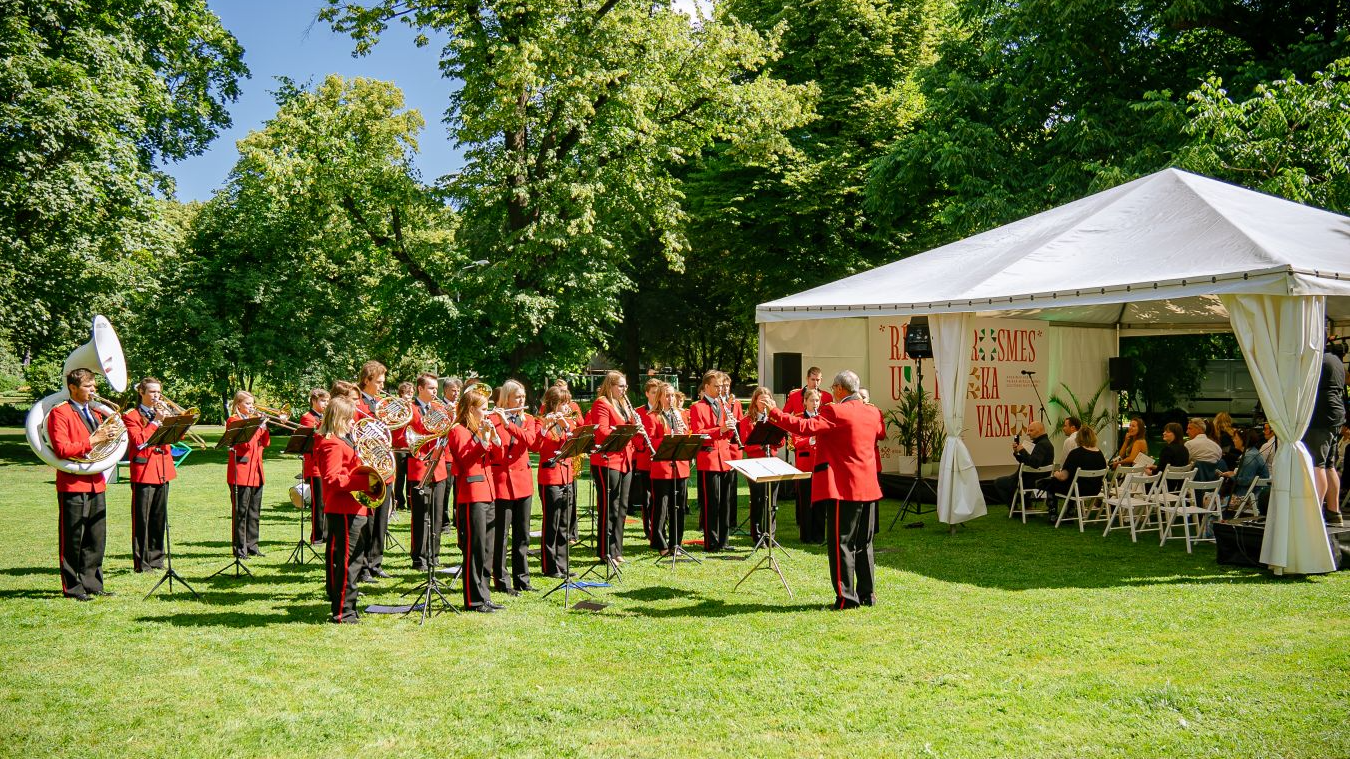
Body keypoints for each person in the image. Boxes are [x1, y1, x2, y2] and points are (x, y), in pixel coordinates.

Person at [765, 370, 884, 609]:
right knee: (864, 543)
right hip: (869, 485)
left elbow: (804, 426)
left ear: (839, 389)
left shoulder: (835, 411)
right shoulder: (872, 411)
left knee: (841, 543)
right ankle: (867, 594)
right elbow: (878, 434)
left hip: (844, 486)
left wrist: (775, 413)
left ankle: (846, 598)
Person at [49, 368, 116, 600]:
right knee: (73, 537)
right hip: (73, 482)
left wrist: (109, 436)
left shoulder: (95, 413)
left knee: (96, 537)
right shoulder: (60, 412)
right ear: (73, 388)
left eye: (94, 385)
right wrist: (94, 439)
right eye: (88, 386)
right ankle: (73, 587)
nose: (93, 390)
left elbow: (101, 445)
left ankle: (93, 583)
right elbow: (62, 449)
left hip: (96, 481)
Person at [313, 396, 376, 624]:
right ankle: (343, 611)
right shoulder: (331, 443)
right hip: (344, 508)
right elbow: (332, 479)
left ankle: (348, 607)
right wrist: (366, 482)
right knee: (349, 562)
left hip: (353, 507)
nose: (353, 423)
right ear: (340, 418)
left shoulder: (343, 440)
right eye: (350, 419)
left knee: (353, 560)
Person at [445, 385, 503, 612]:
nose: (487, 413)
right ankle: (473, 599)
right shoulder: (458, 431)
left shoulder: (479, 429)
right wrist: (484, 440)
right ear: (471, 409)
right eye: (484, 409)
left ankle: (484, 595)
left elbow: (498, 457)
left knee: (487, 548)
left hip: (488, 492)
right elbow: (466, 459)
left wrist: (494, 437)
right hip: (471, 495)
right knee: (475, 548)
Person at [489, 380, 538, 594]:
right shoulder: (493, 419)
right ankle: (501, 580)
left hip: (523, 482)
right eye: (517, 397)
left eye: (523, 397)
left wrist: (509, 425)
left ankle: (522, 579)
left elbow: (531, 441)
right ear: (506, 399)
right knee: (501, 535)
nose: (521, 400)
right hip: (501, 482)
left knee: (522, 534)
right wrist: (499, 422)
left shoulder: (528, 420)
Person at [122, 377, 175, 573]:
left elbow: (177, 436)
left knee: (159, 518)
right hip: (144, 471)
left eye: (158, 392)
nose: (157, 396)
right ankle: (142, 563)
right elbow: (139, 442)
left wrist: (173, 421)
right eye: (152, 392)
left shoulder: (161, 412)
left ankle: (157, 559)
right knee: (142, 519)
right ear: (141, 393)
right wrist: (156, 422)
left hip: (163, 469)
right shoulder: (132, 416)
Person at [586, 371, 636, 564]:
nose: (624, 390)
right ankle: (605, 551)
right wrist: (625, 431)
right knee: (609, 506)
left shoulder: (623, 404)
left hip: (626, 459)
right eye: (621, 386)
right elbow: (602, 431)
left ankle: (617, 550)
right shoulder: (602, 403)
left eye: (625, 386)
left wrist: (634, 427)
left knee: (622, 507)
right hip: (607, 461)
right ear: (611, 386)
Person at [531, 385, 577, 577]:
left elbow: (574, 442)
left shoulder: (567, 422)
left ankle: (562, 564)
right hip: (550, 477)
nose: (567, 407)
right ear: (554, 404)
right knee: (552, 523)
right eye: (564, 403)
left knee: (564, 523)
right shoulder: (540, 421)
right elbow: (536, 446)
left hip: (567, 475)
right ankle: (550, 566)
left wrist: (566, 426)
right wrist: (545, 427)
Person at [689, 370, 736, 552]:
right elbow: (699, 433)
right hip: (709, 459)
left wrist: (730, 429)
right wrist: (721, 429)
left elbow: (727, 434)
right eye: (716, 386)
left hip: (725, 458)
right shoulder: (697, 407)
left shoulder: (723, 405)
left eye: (721, 386)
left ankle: (724, 541)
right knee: (712, 502)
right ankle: (711, 542)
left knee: (725, 502)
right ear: (706, 386)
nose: (720, 389)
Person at [407, 374, 448, 571]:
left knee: (436, 514)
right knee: (420, 516)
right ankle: (419, 557)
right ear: (420, 389)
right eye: (431, 388)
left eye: (435, 388)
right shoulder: (410, 409)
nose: (435, 392)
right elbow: (404, 436)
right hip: (419, 467)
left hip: (438, 467)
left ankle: (434, 555)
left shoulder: (439, 408)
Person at [355, 360, 392, 580]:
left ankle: (376, 563)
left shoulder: (381, 404)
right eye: (378, 382)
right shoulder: (356, 404)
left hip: (385, 467)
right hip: (368, 467)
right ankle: (362, 566)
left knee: (381, 520)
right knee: (367, 520)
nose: (382, 386)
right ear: (367, 380)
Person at [646, 382, 691, 555]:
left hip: (680, 466)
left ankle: (676, 543)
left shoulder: (680, 414)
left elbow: (688, 436)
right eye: (667, 395)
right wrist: (669, 438)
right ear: (659, 397)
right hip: (662, 468)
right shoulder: (653, 416)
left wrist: (685, 433)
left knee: (678, 507)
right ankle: (660, 543)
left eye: (672, 395)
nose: (671, 399)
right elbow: (650, 441)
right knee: (661, 507)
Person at [226, 390, 271, 560]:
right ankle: (240, 548)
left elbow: (265, 443)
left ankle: (253, 545)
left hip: (256, 471)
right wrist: (259, 426)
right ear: (238, 405)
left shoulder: (253, 422)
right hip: (241, 472)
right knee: (241, 512)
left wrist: (264, 428)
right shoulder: (234, 421)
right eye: (247, 404)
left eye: (252, 404)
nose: (251, 407)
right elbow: (245, 444)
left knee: (254, 512)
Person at [1305, 341, 1346, 525]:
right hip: (1335, 414)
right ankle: (1334, 511)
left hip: (1322, 415)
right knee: (1329, 465)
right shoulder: (1336, 361)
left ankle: (1315, 513)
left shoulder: (1319, 359)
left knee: (1318, 465)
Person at [738, 386, 783, 543]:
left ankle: (770, 535)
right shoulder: (746, 421)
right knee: (757, 499)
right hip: (754, 463)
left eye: (767, 400)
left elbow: (781, 442)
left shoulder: (775, 419)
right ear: (755, 402)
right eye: (761, 400)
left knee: (772, 501)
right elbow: (745, 445)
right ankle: (757, 535)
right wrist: (761, 445)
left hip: (772, 462)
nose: (764, 403)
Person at [1039, 425, 1108, 518]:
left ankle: (1053, 513)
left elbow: (1063, 477)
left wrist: (1056, 474)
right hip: (1095, 490)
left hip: (1078, 490)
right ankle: (1070, 511)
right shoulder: (1100, 454)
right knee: (1073, 482)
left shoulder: (1075, 453)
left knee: (1051, 483)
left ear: (1078, 438)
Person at [983, 421, 1055, 505]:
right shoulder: (1045, 443)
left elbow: (1034, 463)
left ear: (1040, 430)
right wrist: (1017, 453)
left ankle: (1015, 506)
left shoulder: (1041, 444)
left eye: (1031, 430)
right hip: (1038, 479)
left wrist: (1022, 450)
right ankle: (1026, 505)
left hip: (1029, 481)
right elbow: (1028, 461)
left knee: (998, 482)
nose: (1028, 433)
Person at [792, 388, 825, 543]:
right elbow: (796, 442)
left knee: (820, 502)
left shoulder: (822, 418)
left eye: (817, 400)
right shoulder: (799, 419)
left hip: (820, 464)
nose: (815, 403)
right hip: (805, 465)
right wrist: (811, 439)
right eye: (812, 400)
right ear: (805, 402)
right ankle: (806, 536)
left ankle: (819, 535)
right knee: (806, 501)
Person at [631, 378, 662, 542]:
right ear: (647, 394)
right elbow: (633, 435)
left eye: (658, 393)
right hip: (645, 459)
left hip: (662, 459)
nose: (656, 396)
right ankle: (648, 529)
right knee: (647, 497)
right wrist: (642, 445)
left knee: (661, 496)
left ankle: (660, 526)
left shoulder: (663, 411)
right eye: (653, 393)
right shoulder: (638, 412)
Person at [299, 388, 330, 545]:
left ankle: (326, 534)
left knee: (327, 501)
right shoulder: (308, 417)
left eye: (327, 401)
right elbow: (315, 439)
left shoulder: (324, 417)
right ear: (313, 401)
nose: (326, 404)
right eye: (323, 401)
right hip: (314, 465)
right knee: (318, 503)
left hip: (325, 463)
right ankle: (317, 536)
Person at [436, 376, 463, 534]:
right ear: (445, 390)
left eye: (458, 390)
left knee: (459, 490)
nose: (456, 393)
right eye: (453, 390)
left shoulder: (461, 406)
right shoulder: (438, 406)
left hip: (459, 454)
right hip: (446, 454)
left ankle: (458, 520)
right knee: (445, 491)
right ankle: (444, 523)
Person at [1221, 427, 1270, 510]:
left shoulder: (1249, 457)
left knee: (1214, 500)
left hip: (1250, 498)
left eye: (1235, 438)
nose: (1233, 440)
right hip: (1256, 494)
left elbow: (1246, 481)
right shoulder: (1253, 452)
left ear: (1243, 440)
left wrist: (1232, 476)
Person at [391, 380, 415, 513]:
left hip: (411, 445)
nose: (409, 395)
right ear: (401, 393)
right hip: (399, 445)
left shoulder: (414, 406)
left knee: (411, 476)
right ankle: (399, 501)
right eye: (407, 393)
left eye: (411, 393)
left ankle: (411, 501)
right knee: (400, 476)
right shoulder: (396, 407)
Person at [1149, 422, 1191, 491]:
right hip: (1179, 488)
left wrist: (1148, 471)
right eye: (1164, 431)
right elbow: (1174, 467)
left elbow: (1160, 471)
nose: (1164, 433)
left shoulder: (1167, 450)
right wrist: (1156, 467)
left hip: (1163, 487)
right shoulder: (1184, 449)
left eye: (1167, 432)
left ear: (1175, 434)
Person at [1184, 417, 1223, 481]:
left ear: (1199, 429)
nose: (1187, 431)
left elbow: (1184, 465)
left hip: (1193, 482)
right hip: (1214, 483)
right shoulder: (1217, 447)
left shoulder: (1189, 444)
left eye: (1190, 428)